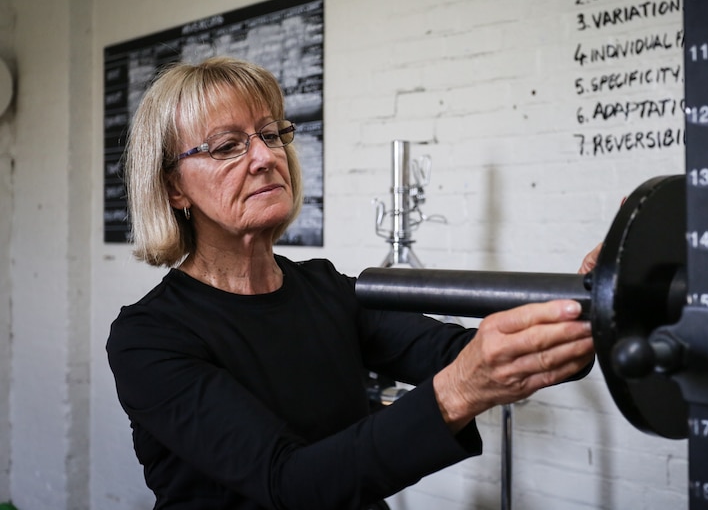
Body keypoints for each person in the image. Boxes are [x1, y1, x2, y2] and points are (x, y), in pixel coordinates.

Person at [106, 56, 597, 510]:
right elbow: (289, 483)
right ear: (174, 188)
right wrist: (460, 391)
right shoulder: (149, 338)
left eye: (271, 134)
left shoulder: (327, 289)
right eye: (228, 146)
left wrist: (594, 300)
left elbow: (467, 352)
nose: (264, 157)